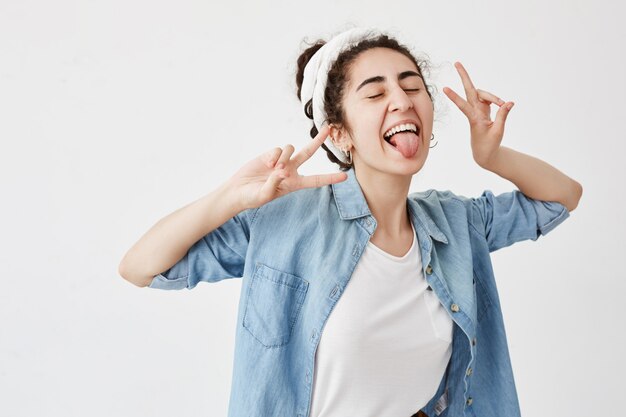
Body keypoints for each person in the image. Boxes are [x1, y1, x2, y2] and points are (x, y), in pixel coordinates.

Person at [118, 27, 582, 417]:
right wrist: (229, 197)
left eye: (411, 86)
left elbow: (561, 199)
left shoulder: (455, 223)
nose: (400, 100)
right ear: (338, 132)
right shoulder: (285, 221)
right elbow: (141, 267)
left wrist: (493, 156)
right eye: (376, 93)